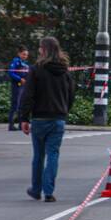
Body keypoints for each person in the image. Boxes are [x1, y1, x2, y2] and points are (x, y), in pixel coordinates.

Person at [20, 37, 74, 202]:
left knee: (38, 156)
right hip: (58, 119)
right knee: (53, 155)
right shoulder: (65, 71)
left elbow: (28, 95)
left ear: (44, 50)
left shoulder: (36, 70)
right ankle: (49, 192)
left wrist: (24, 118)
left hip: (39, 119)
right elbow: (71, 95)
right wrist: (64, 110)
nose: (38, 50)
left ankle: (36, 190)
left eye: (39, 48)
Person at [7, 45, 30, 131]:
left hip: (23, 86)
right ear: (19, 54)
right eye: (24, 54)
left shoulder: (25, 63)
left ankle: (21, 125)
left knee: (22, 105)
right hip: (17, 86)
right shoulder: (16, 61)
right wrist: (20, 79)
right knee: (15, 105)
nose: (25, 56)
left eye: (26, 55)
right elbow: (11, 73)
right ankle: (11, 125)